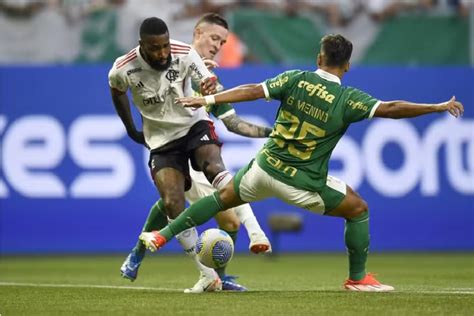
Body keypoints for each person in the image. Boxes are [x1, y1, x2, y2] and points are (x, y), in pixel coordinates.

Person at [138, 34, 464, 292]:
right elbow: (391, 108)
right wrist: (435, 107)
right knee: (358, 208)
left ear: (319, 59)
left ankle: (162, 235)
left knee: (217, 200)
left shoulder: (295, 78)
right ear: (347, 66)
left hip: (262, 169)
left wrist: (208, 98)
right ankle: (358, 278)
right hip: (301, 183)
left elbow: (252, 90)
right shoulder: (349, 99)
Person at [109, 16, 270, 294]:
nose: (218, 46)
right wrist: (131, 128)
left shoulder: (191, 61)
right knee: (171, 201)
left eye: (223, 42)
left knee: (220, 194)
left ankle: (235, 257)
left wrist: (271, 132)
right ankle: (200, 272)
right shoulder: (124, 68)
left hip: (195, 133)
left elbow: (232, 120)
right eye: (214, 39)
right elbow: (116, 89)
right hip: (163, 140)